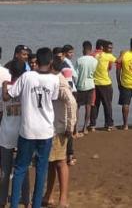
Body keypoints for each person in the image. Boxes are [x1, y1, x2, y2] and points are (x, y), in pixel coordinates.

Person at [3, 47, 59, 208]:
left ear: (35, 62)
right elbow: (53, 98)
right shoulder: (54, 79)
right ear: (50, 62)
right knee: (41, 169)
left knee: (20, 168)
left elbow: (10, 95)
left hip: (28, 130)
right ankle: (35, 204)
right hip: (45, 130)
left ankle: (14, 204)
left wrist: (5, 86)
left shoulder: (27, 76)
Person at [42, 58, 77, 208]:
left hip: (58, 128)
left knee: (61, 162)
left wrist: (70, 126)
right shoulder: (52, 78)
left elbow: (72, 102)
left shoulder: (58, 80)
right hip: (50, 127)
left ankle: (63, 199)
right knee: (51, 163)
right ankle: (48, 196)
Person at [0, 61, 30, 208]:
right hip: (22, 134)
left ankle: (2, 200)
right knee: (23, 170)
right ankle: (26, 200)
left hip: (6, 133)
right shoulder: (26, 88)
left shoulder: (4, 88)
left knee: (5, 171)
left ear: (10, 72)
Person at [91, 40, 116, 131]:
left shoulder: (92, 55)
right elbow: (118, 61)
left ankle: (92, 124)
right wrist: (123, 53)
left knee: (95, 104)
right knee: (107, 104)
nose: (111, 50)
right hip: (105, 84)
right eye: (109, 48)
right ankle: (109, 124)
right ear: (102, 47)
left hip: (94, 84)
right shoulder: (108, 56)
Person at [75, 41, 98, 134]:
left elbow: (75, 75)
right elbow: (94, 72)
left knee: (77, 107)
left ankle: (75, 128)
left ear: (83, 49)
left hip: (80, 86)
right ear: (91, 49)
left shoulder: (79, 60)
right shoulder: (95, 60)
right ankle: (84, 127)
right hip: (90, 85)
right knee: (88, 107)